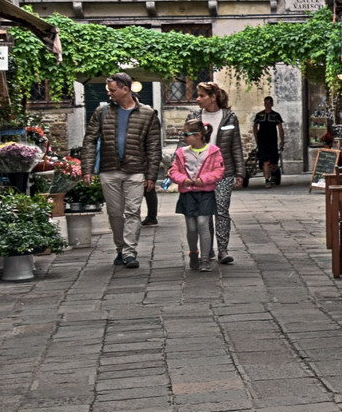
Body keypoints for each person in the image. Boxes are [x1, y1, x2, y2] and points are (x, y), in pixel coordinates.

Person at [81, 73, 163, 268]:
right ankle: (120, 248)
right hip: (109, 169)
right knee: (115, 212)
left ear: (125, 89)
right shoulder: (102, 111)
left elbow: (153, 146)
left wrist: (151, 174)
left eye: (113, 90)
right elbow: (89, 141)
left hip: (136, 169)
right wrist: (87, 168)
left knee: (133, 211)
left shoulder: (147, 113)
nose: (109, 93)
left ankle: (129, 252)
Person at [194, 82, 245, 265]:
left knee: (221, 210)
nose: (198, 99)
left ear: (213, 97)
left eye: (201, 95)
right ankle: (207, 250)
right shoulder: (195, 117)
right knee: (204, 212)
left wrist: (240, 172)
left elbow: (236, 146)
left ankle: (223, 249)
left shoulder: (229, 117)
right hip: (200, 172)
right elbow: (184, 142)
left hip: (224, 171)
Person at [168, 117, 224, 271]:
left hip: (205, 193)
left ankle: (205, 258)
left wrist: (204, 179)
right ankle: (193, 251)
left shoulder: (213, 152)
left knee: (202, 224)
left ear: (198, 135)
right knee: (191, 227)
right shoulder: (181, 153)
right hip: (188, 194)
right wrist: (183, 180)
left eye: (186, 135)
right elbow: (173, 171)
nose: (184, 138)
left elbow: (219, 171)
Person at [252, 96, 284, 187]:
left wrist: (282, 140)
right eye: (266, 103)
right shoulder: (259, 115)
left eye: (269, 103)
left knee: (274, 163)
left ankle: (274, 174)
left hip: (272, 141)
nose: (267, 105)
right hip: (262, 141)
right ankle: (267, 180)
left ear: (272, 104)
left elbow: (280, 128)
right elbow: (255, 126)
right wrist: (256, 138)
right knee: (265, 161)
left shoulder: (276, 115)